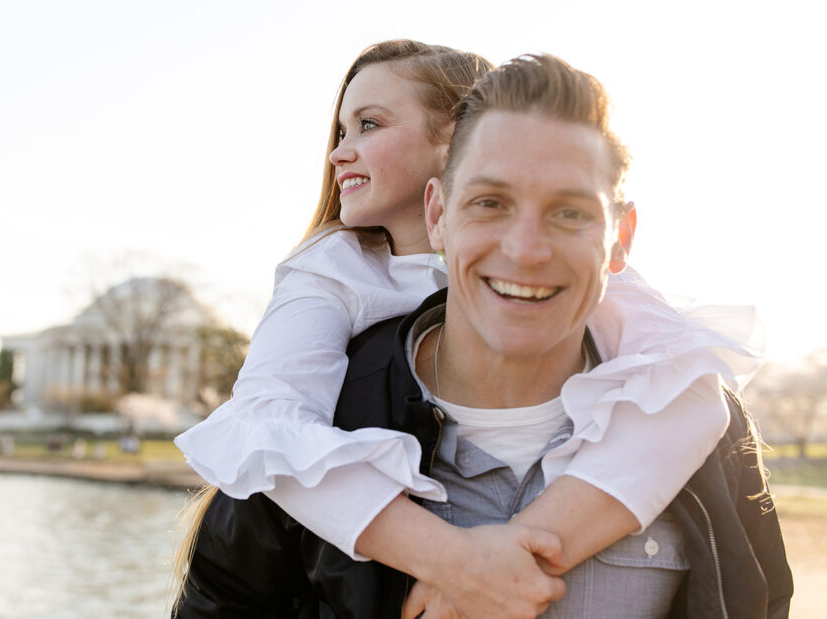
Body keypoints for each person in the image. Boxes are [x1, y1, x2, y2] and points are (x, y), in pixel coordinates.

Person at [175, 54, 792, 618]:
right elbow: (262, 428)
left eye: (570, 211)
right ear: (439, 210)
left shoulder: (674, 380)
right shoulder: (318, 406)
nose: (526, 251)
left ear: (619, 239)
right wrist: (456, 561)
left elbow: (695, 392)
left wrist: (497, 566)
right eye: (491, 202)